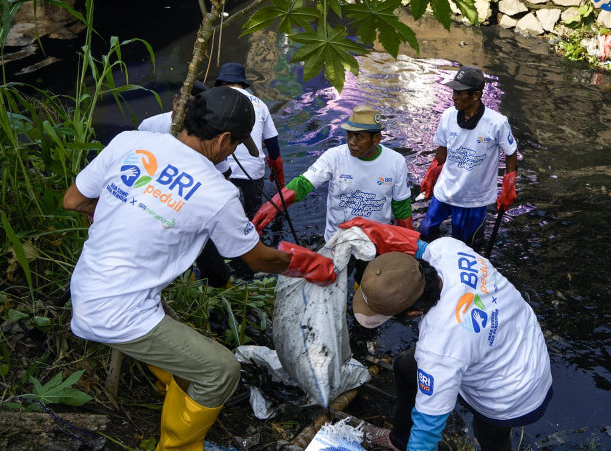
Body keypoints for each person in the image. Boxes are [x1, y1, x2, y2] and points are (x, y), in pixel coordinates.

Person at [63, 87, 336, 450]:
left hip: (86, 285)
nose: (235, 151)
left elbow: (74, 200)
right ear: (224, 139)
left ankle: (174, 392)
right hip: (116, 313)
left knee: (174, 334)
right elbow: (256, 260)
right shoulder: (216, 192)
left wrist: (126, 211)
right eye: (237, 144)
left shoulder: (130, 141)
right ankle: (175, 447)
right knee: (221, 370)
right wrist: (306, 262)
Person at [340, 217, 552, 451]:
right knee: (406, 366)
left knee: (489, 433)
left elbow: (427, 430)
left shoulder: (439, 346)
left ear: (412, 313)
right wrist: (380, 233)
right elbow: (419, 247)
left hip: (513, 393)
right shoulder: (448, 249)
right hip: (521, 339)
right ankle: (398, 441)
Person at [252, 106, 413, 242]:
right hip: (337, 239)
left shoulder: (396, 162)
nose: (351, 141)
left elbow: (402, 209)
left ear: (376, 138)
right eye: (349, 134)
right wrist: (272, 206)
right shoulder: (334, 156)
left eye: (359, 136)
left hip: (375, 241)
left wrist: (409, 243)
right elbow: (303, 184)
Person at [138, 80, 232, 287]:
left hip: (192, 211)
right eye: (181, 106)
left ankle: (220, 289)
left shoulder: (205, 137)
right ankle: (184, 289)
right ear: (175, 101)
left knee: (214, 267)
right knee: (173, 267)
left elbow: (224, 175)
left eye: (191, 111)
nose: (183, 114)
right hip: (156, 206)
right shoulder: (150, 127)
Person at [419, 65, 518, 247]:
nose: (453, 96)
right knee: (425, 233)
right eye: (454, 91)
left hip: (474, 198)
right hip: (445, 191)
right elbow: (442, 150)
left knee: (466, 245)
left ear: (476, 95)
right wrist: (432, 174)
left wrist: (508, 186)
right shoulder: (448, 116)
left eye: (459, 92)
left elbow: (511, 154)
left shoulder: (497, 123)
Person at [215, 62, 284, 219]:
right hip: (253, 169)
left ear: (223, 83)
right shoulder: (260, 104)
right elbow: (272, 141)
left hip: (223, 170)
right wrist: (276, 166)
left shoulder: (215, 101)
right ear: (242, 83)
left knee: (225, 213)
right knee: (254, 214)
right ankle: (255, 238)